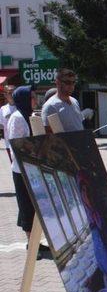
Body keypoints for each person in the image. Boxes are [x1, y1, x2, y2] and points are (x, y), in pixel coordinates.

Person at [7, 85, 51, 259]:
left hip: (32, 168)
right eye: (32, 97)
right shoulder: (17, 118)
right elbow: (16, 145)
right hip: (22, 170)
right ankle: (32, 246)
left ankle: (36, 243)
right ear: (24, 99)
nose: (35, 100)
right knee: (27, 206)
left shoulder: (28, 116)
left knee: (36, 205)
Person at [1, 85, 17, 162]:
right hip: (8, 142)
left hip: (21, 142)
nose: (12, 95)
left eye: (14, 93)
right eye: (10, 93)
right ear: (5, 95)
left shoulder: (20, 107)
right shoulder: (3, 109)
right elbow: (1, 125)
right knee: (13, 165)